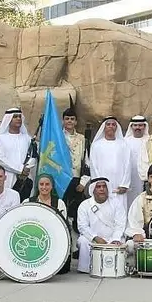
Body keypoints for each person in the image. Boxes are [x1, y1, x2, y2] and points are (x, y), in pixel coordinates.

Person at [76, 178, 126, 273]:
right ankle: (86, 269)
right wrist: (95, 237)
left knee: (123, 242)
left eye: (104, 186)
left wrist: (115, 239)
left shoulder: (116, 203)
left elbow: (120, 224)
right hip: (93, 239)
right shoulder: (85, 205)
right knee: (83, 241)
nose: (102, 189)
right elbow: (82, 226)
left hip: (113, 239)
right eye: (98, 187)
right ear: (93, 190)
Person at [25, 173, 71, 273]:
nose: (44, 187)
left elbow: (63, 226)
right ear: (37, 186)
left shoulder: (59, 203)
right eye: (41, 184)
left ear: (52, 186)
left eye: (47, 184)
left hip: (54, 239)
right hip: (33, 237)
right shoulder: (27, 202)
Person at [0, 107, 36, 199]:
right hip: (8, 177)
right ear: (8, 119)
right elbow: (0, 158)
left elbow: (33, 155)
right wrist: (20, 169)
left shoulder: (27, 138)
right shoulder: (0, 138)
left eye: (20, 117)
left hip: (26, 177)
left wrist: (26, 168)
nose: (18, 119)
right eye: (15, 117)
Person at [88, 117, 130, 208]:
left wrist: (124, 184)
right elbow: (93, 166)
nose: (111, 126)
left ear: (116, 127)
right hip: (102, 188)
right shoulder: (96, 145)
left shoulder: (123, 145)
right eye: (108, 124)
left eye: (113, 124)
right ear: (104, 127)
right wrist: (99, 184)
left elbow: (128, 165)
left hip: (119, 188)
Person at [61, 98, 90, 229]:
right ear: (63, 121)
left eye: (72, 119)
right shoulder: (57, 137)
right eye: (67, 119)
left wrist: (83, 182)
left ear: (76, 121)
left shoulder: (82, 139)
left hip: (76, 180)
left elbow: (87, 161)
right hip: (60, 178)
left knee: (75, 211)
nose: (69, 121)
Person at [124, 115, 148, 201]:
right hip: (129, 178)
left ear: (144, 126)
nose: (138, 127)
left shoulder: (149, 141)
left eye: (140, 125)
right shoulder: (125, 141)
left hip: (145, 179)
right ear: (131, 126)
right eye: (135, 125)